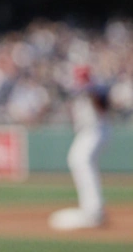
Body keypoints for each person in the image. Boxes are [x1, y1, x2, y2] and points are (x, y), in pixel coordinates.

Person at [49, 65, 110, 230]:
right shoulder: (77, 90)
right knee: (77, 161)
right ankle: (92, 208)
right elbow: (64, 95)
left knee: (81, 161)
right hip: (85, 132)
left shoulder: (96, 88)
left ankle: (94, 210)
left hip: (96, 130)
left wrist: (90, 91)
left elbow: (103, 107)